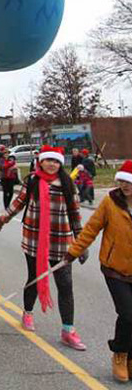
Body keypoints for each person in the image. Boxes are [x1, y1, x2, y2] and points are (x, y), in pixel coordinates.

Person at [0, 145, 86, 350]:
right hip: (34, 240)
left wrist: (81, 243)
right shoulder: (33, 181)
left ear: (60, 163)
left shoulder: (68, 184)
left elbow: (75, 214)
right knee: (34, 279)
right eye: (48, 160)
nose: (52, 164)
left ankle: (68, 330)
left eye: (55, 161)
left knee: (65, 285)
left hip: (61, 241)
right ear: (41, 161)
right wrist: (3, 219)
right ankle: (27, 313)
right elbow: (18, 203)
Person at [64, 160, 132, 382]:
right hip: (115, 269)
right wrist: (73, 252)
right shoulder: (110, 202)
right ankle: (120, 354)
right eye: (122, 181)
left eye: (129, 182)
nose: (125, 186)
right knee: (128, 314)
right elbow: (91, 228)